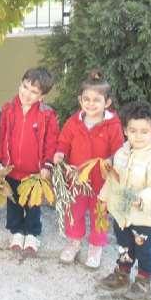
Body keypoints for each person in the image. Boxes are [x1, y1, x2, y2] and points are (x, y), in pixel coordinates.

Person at [97, 101, 151, 300]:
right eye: (133, 130)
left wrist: (142, 200)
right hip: (122, 213)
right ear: (125, 130)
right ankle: (122, 274)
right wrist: (103, 198)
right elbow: (114, 179)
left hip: (144, 216)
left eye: (144, 131)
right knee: (124, 245)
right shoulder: (121, 153)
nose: (138, 136)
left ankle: (143, 279)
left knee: (143, 249)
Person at [53, 69, 124, 268]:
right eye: (87, 99)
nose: (91, 104)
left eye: (96, 100)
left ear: (107, 102)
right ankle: (74, 242)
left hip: (102, 182)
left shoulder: (113, 126)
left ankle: (96, 246)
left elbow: (119, 151)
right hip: (77, 179)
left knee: (98, 213)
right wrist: (60, 153)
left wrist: (111, 161)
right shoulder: (74, 122)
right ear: (80, 100)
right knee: (73, 211)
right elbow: (64, 141)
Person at [0, 67, 59, 257]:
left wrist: (48, 164)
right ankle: (16, 232)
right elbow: (2, 136)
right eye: (25, 87)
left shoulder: (47, 115)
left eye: (34, 92)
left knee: (32, 205)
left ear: (42, 96)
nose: (27, 94)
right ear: (20, 84)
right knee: (13, 202)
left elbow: (51, 141)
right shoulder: (8, 109)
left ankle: (32, 233)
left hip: (34, 173)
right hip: (11, 170)